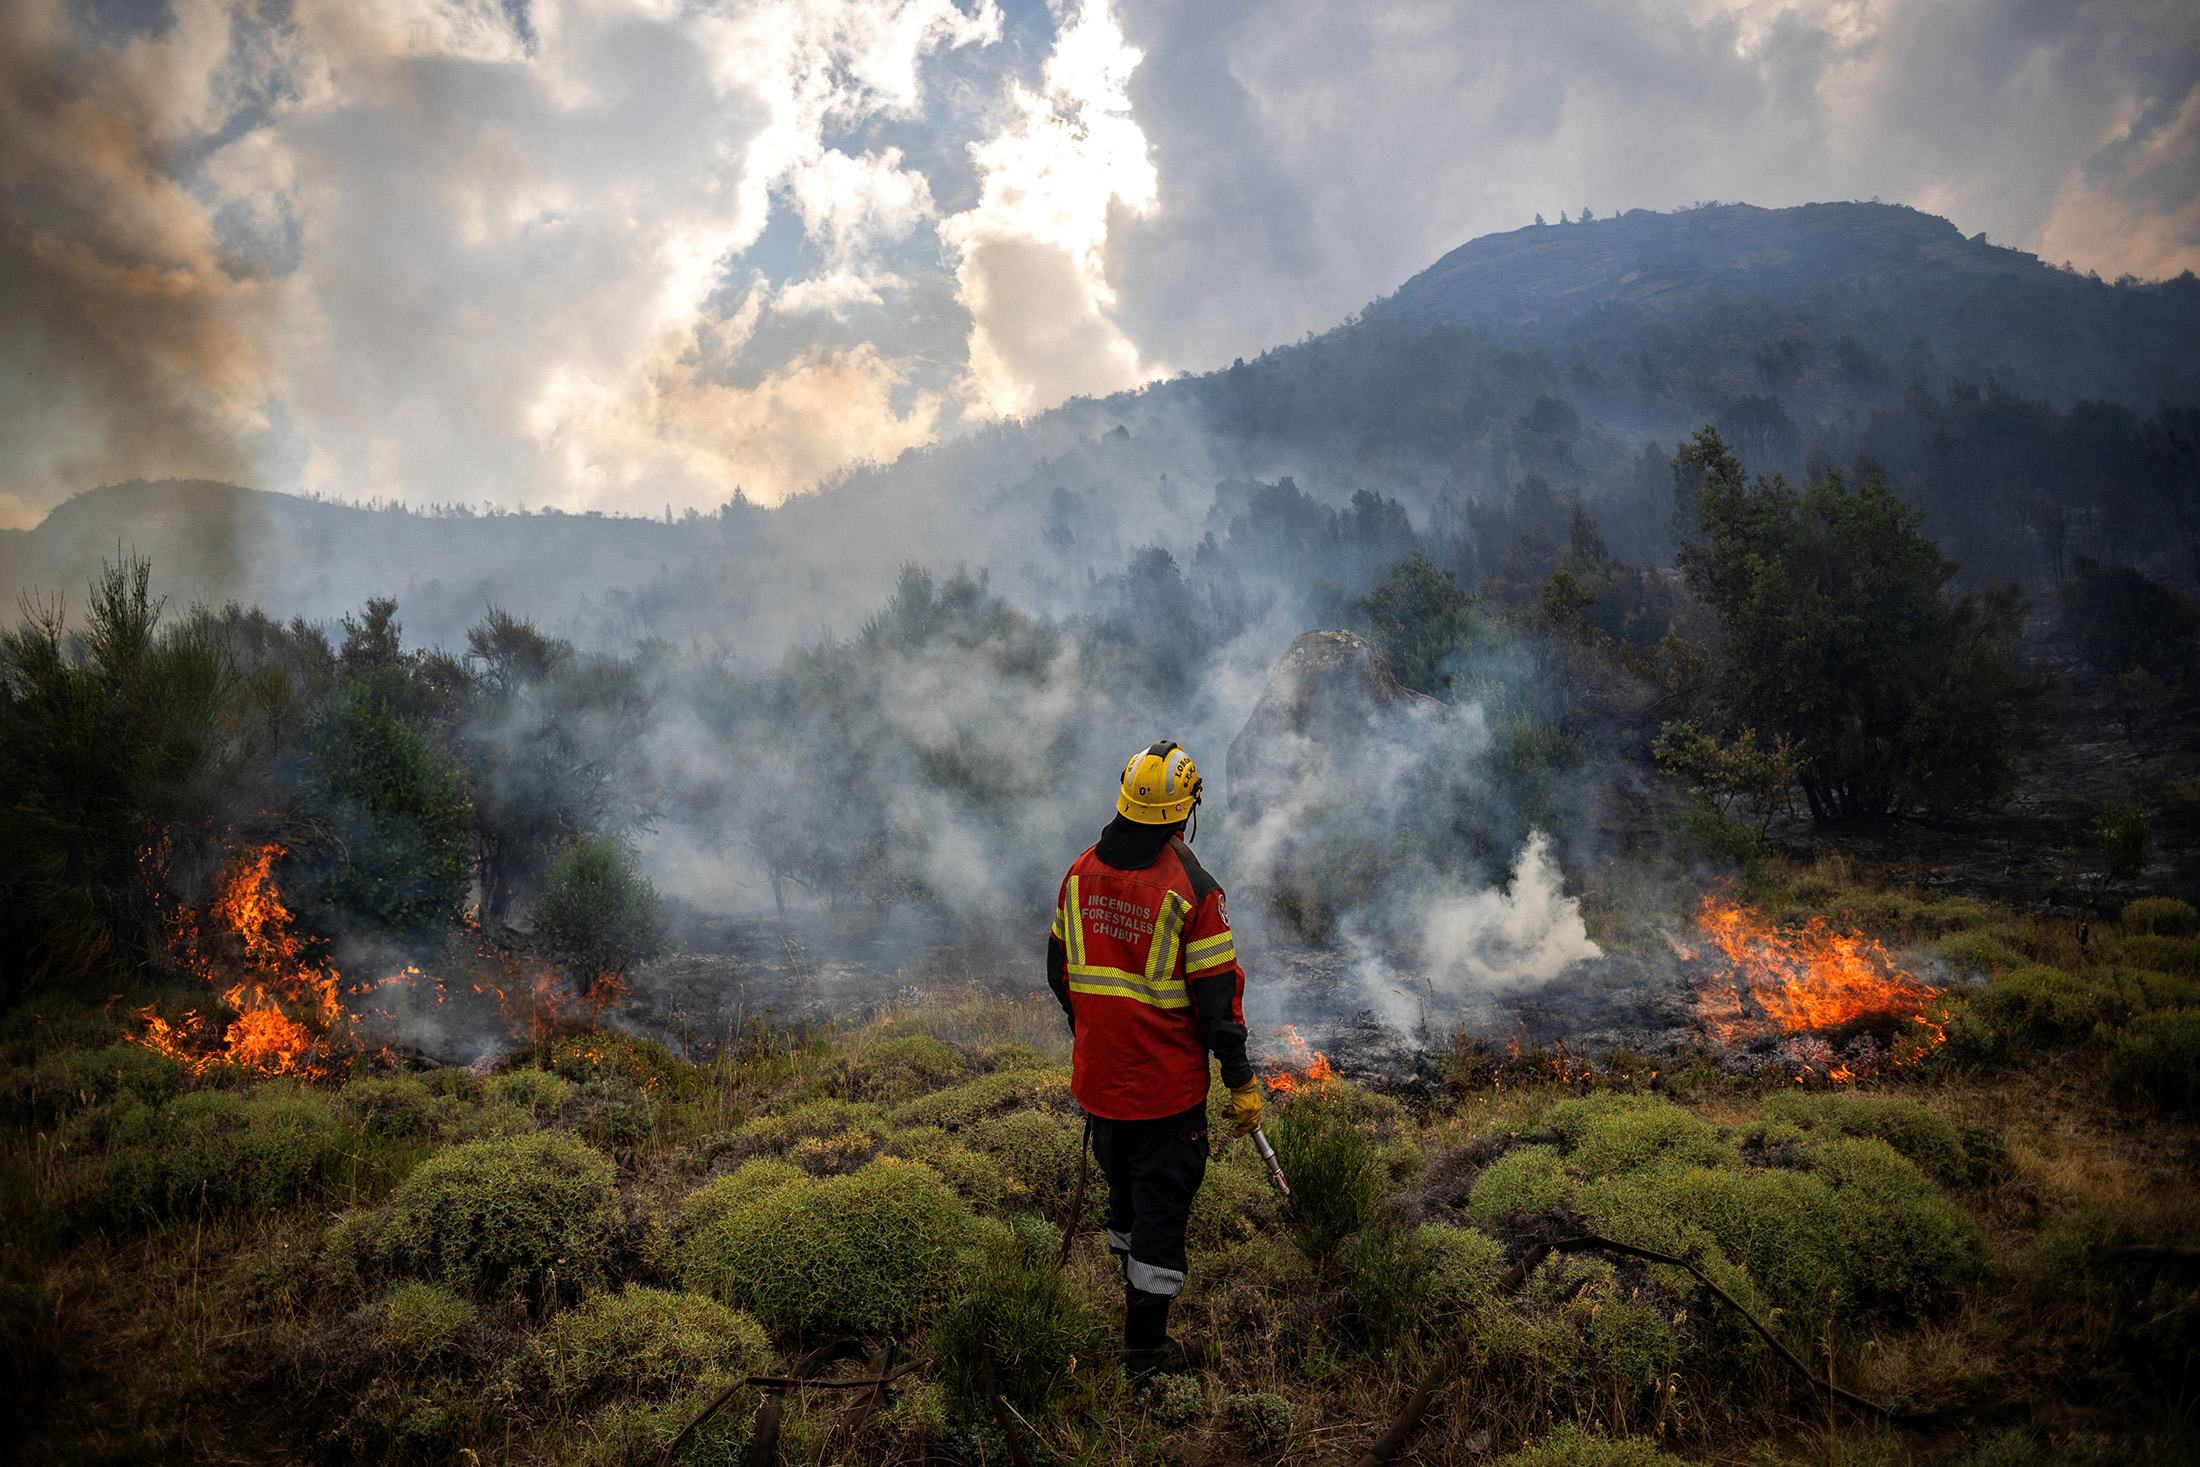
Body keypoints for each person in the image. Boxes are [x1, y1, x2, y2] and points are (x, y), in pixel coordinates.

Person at [1046, 739, 1263, 1368]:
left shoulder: (1079, 870)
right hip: (1165, 1097)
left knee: (1127, 1205)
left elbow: (1061, 972)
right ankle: (1146, 1353)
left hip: (1100, 1088)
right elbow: (1218, 1000)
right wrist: (1241, 1081)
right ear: (1183, 811)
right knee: (1161, 1216)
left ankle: (1131, 1296)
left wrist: (1096, 1032)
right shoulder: (1192, 889)